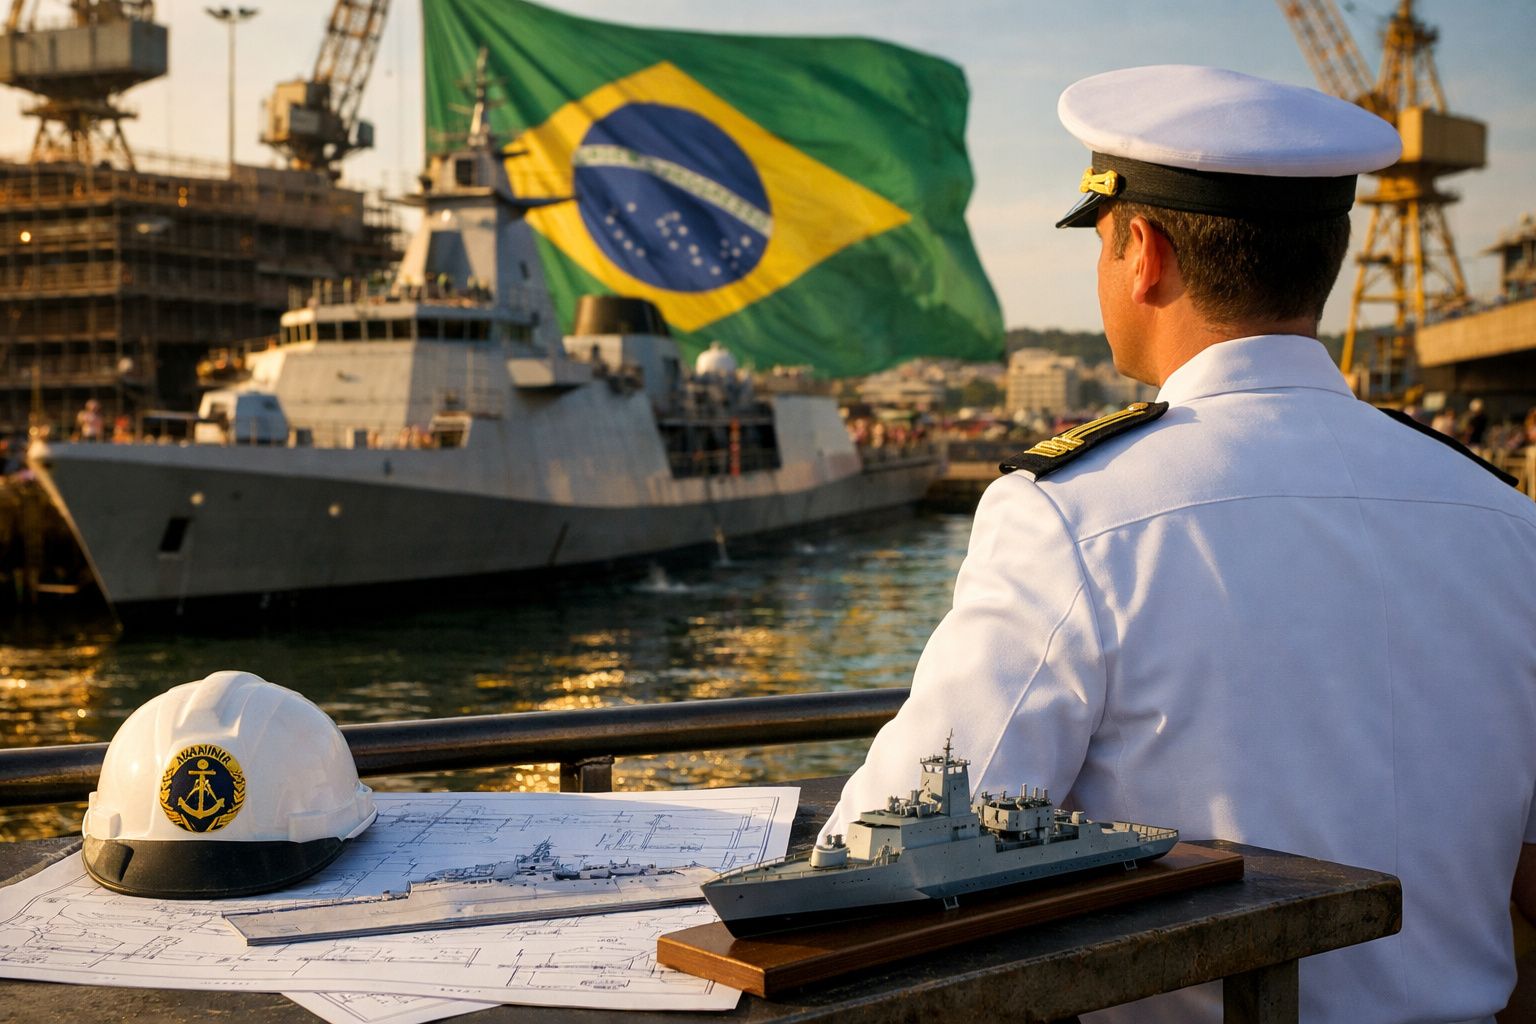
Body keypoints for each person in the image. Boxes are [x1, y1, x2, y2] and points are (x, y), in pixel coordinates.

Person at [823, 65, 1536, 1023]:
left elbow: (892, 855)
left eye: (1103, 241)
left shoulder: (1072, 513)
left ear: (1143, 254)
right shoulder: (1505, 518)